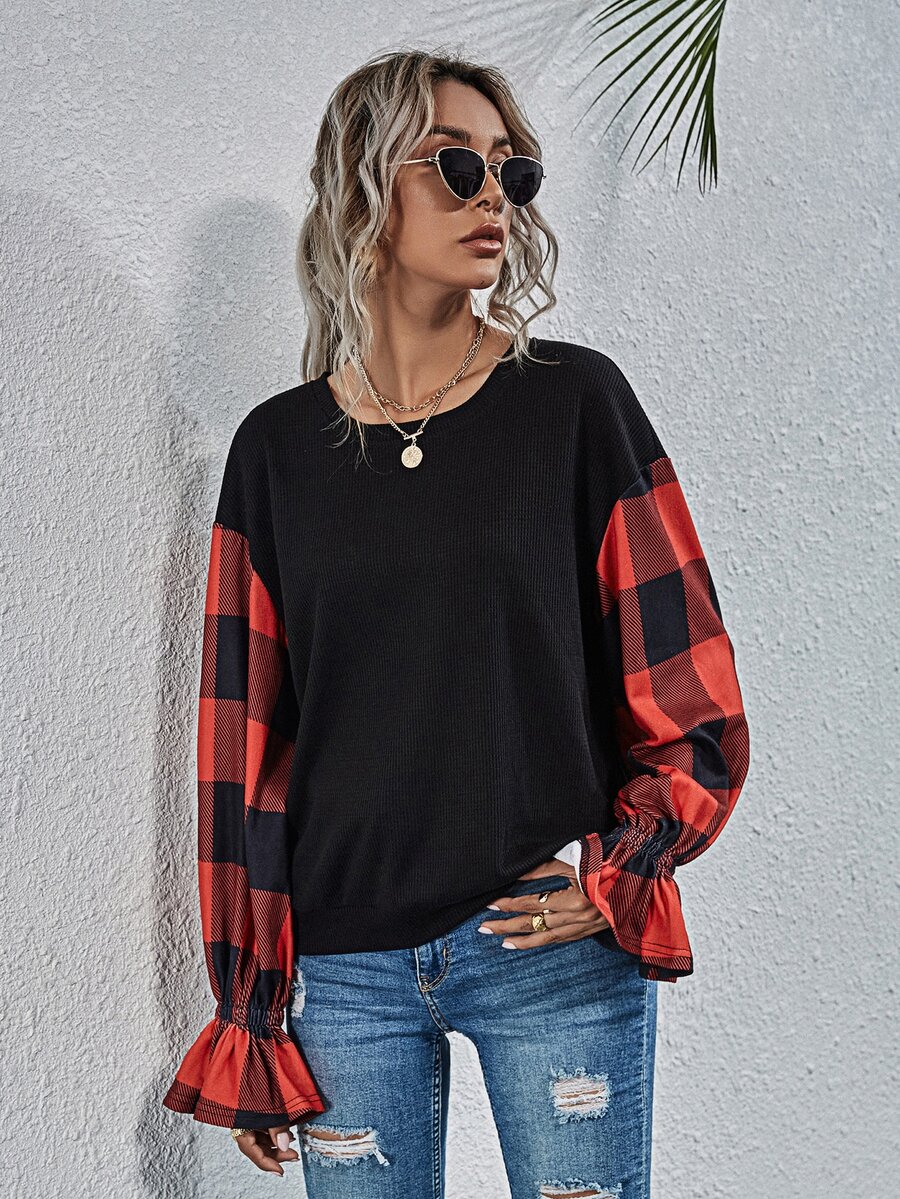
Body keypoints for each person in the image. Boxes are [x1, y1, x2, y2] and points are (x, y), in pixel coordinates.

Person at [162, 49, 750, 1198]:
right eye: (457, 166)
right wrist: (251, 1007)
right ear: (364, 184)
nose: (494, 198)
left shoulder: (574, 405)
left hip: (544, 945)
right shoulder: (278, 452)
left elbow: (687, 679)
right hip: (343, 970)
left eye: (511, 172)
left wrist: (629, 860)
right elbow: (242, 748)